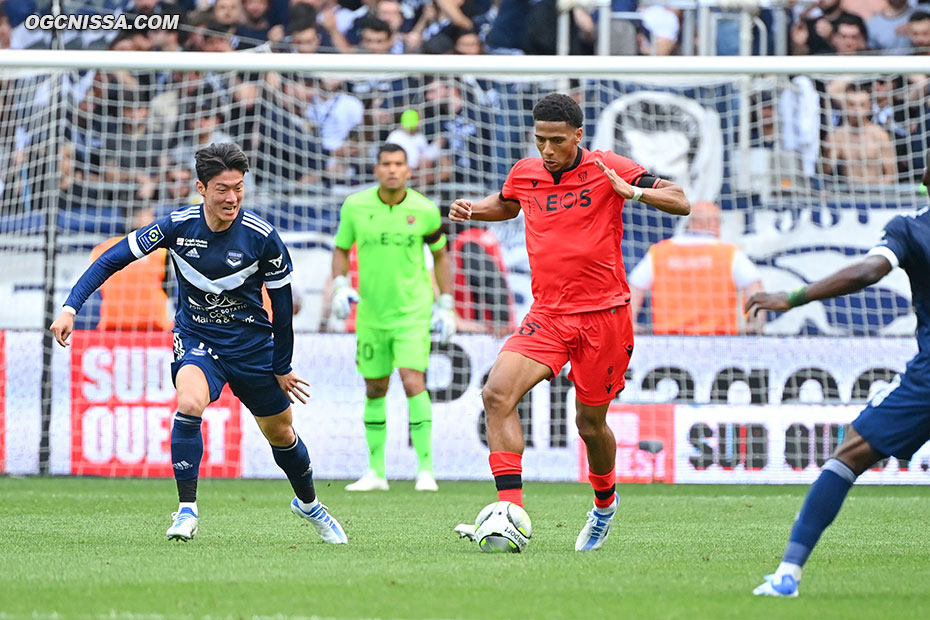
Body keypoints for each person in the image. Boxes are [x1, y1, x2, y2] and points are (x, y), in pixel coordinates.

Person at [49, 143, 347, 545]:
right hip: (197, 338)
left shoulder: (263, 239)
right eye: (223, 189)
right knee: (189, 402)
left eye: (239, 188)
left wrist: (282, 365)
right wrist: (70, 307)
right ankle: (187, 509)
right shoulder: (177, 226)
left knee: (281, 434)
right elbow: (111, 259)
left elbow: (282, 310)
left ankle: (310, 505)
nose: (232, 198)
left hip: (252, 347)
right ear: (201, 188)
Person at [448, 93, 690, 551]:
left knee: (589, 425)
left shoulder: (606, 166)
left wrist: (634, 192)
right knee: (497, 392)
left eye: (557, 140)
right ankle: (510, 509)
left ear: (578, 135)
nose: (547, 150)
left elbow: (681, 200)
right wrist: (474, 209)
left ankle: (603, 506)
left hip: (605, 317)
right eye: (540, 139)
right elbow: (508, 203)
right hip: (549, 314)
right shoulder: (525, 172)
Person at [748, 160, 930, 598]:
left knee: (850, 453)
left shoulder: (909, 228)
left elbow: (868, 271)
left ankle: (788, 575)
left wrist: (792, 297)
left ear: (924, 178)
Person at [330, 143, 456, 493]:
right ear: (376, 169)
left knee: (413, 381)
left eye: (399, 163)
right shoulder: (355, 206)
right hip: (371, 313)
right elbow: (340, 249)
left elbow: (441, 256)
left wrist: (446, 303)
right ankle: (376, 472)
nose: (392, 170)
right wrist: (340, 285)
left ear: (408, 170)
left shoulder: (425, 210)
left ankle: (426, 471)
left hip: (413, 312)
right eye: (386, 163)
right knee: (375, 387)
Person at [628, 201, 765, 335]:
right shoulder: (729, 253)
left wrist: (629, 323)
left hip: (669, 339)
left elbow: (635, 287)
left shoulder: (660, 252)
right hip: (719, 340)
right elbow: (755, 290)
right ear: (712, 223)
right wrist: (755, 325)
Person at [90, 206, 174, 332]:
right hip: (154, 327)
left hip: (112, 326)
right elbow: (168, 289)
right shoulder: (160, 251)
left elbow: (96, 289)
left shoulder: (102, 249)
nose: (154, 219)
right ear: (140, 217)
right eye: (150, 215)